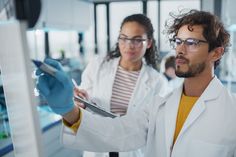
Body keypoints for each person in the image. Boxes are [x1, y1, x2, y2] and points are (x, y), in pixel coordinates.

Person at [37, 10, 236, 157]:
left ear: (216, 52)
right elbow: (119, 131)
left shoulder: (232, 113)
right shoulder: (159, 106)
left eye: (191, 42)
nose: (180, 50)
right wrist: (68, 110)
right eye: (178, 41)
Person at [37, 14, 168, 157]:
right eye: (124, 38)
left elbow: (149, 129)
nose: (129, 45)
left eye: (137, 40)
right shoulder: (98, 65)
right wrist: (81, 101)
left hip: (132, 151)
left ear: (148, 42)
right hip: (97, 148)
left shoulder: (158, 83)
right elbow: (84, 98)